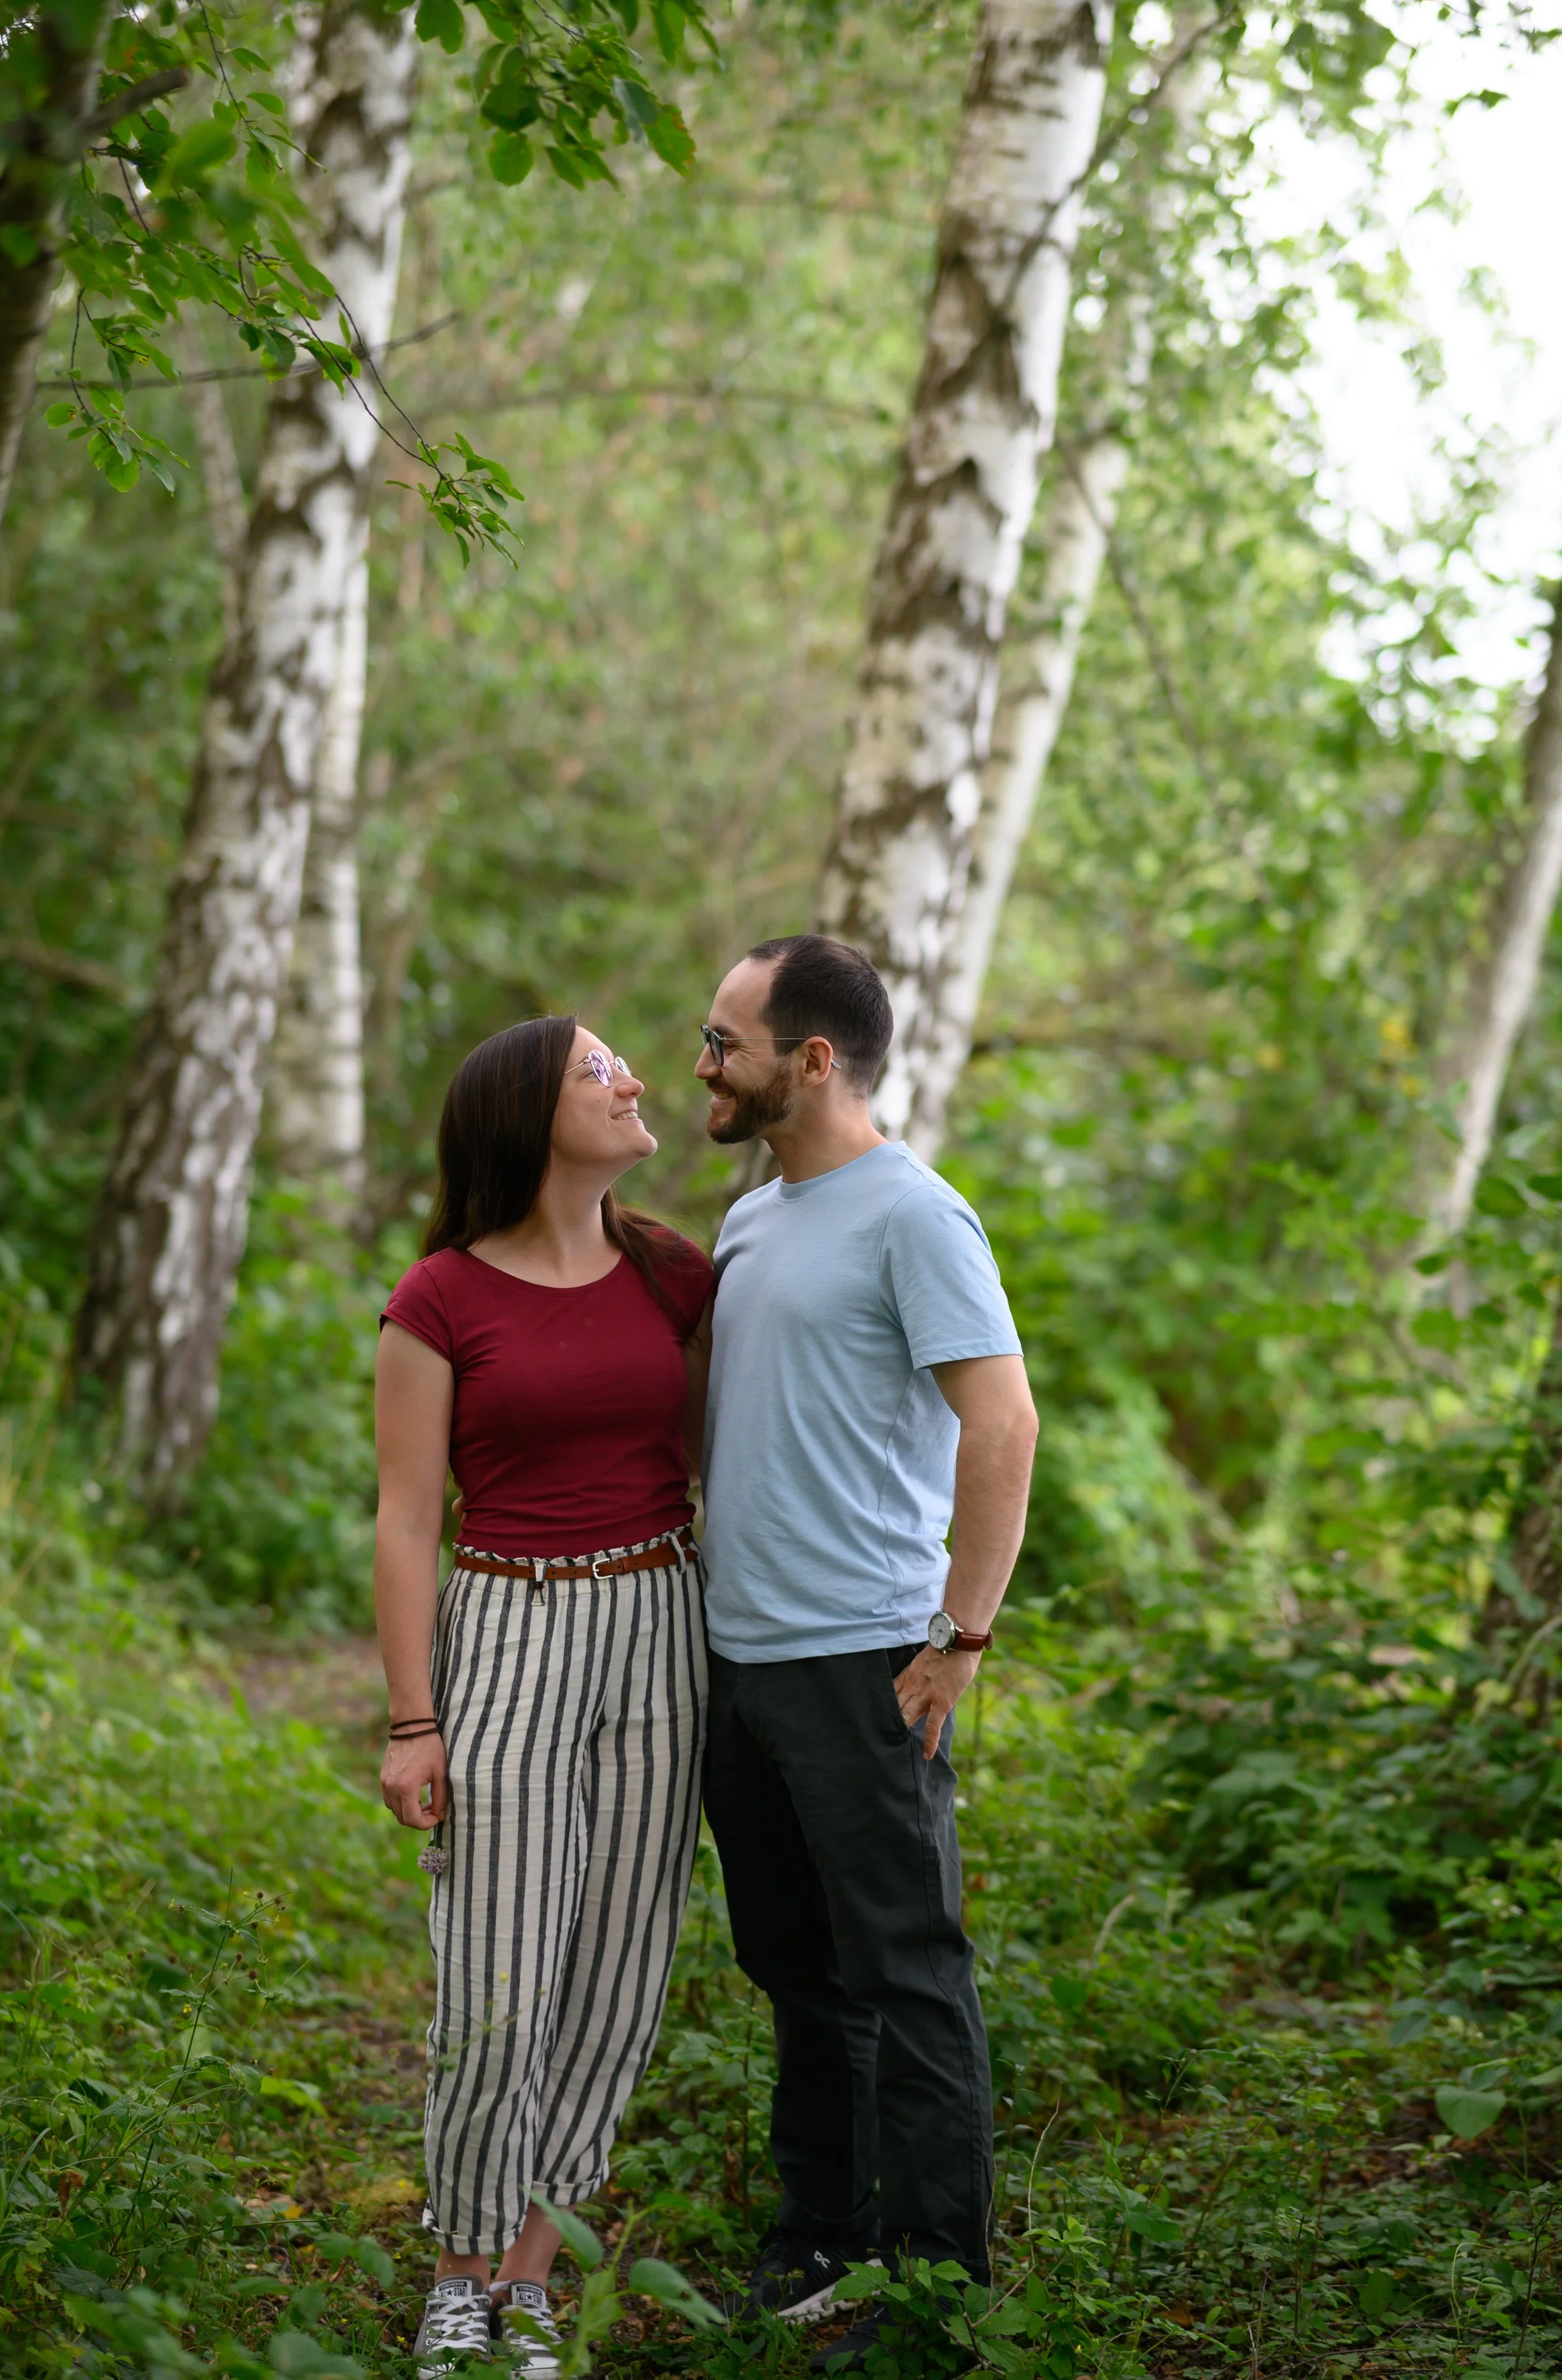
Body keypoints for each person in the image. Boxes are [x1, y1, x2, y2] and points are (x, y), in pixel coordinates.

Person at [696, 936, 1039, 2367]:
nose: (702, 1061)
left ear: (811, 1058)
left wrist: (960, 1636)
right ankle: (818, 2239)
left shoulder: (915, 1216)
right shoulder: (750, 1217)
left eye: (724, 1039)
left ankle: (936, 2285)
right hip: (739, 1659)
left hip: (863, 1661)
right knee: (792, 1962)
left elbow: (1002, 1422)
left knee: (905, 1970)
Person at [374, 1016, 714, 2380]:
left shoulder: (675, 1272)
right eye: (598, 1069)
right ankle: (456, 2273)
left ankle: (526, 2278)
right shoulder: (439, 1295)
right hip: (508, 1624)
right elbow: (405, 1519)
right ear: (526, 1114)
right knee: (498, 1977)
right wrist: (413, 1719)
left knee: (617, 1975)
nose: (634, 1080)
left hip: (660, 1621)